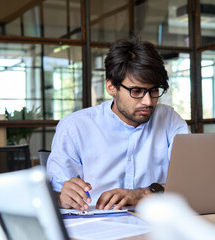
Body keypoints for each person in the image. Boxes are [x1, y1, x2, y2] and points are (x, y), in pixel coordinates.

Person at [46, 36, 189, 211]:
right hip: (96, 226)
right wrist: (61, 198)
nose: (148, 102)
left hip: (156, 222)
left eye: (154, 91)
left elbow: (191, 185)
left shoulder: (169, 120)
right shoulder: (74, 127)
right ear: (111, 87)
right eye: (137, 91)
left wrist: (142, 194)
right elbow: (52, 196)